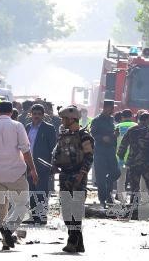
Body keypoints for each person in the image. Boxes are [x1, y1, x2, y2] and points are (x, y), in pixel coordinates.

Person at [0, 101, 39, 251]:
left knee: (1, 208)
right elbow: (25, 150)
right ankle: (8, 230)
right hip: (15, 172)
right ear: (11, 112)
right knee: (22, 205)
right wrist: (33, 169)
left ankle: (5, 241)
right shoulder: (17, 126)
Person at [51, 105, 94, 253]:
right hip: (65, 176)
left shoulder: (84, 135)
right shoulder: (63, 135)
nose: (62, 121)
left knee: (75, 210)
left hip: (78, 176)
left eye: (63, 118)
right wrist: (54, 165)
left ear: (71, 119)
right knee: (66, 210)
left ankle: (72, 240)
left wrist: (82, 173)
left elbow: (89, 157)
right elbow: (57, 153)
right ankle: (78, 242)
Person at [117, 111, 149, 205]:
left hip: (133, 163)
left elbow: (123, 145)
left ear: (139, 120)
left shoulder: (131, 130)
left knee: (134, 186)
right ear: (148, 121)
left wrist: (121, 156)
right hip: (147, 164)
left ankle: (134, 205)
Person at [25, 103, 56, 224]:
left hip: (42, 164)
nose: (36, 116)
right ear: (31, 115)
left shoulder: (48, 128)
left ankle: (41, 216)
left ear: (43, 115)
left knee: (41, 190)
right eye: (34, 114)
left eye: (39, 114)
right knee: (31, 190)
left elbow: (53, 147)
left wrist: (52, 164)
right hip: (28, 163)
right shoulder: (27, 127)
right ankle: (33, 216)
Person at [90, 100, 120, 208]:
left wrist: (115, 135)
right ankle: (103, 199)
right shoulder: (97, 120)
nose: (113, 110)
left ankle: (107, 189)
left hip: (111, 151)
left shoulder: (112, 120)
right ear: (106, 107)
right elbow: (92, 134)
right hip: (100, 152)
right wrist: (102, 138)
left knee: (116, 173)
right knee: (101, 176)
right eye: (112, 108)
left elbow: (113, 133)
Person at [114, 109, 137, 202]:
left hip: (121, 158)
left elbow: (113, 142)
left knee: (121, 180)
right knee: (134, 181)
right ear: (131, 117)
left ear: (122, 117)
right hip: (134, 157)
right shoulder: (137, 126)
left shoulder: (117, 126)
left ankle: (122, 200)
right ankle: (133, 200)